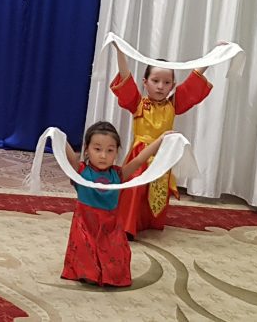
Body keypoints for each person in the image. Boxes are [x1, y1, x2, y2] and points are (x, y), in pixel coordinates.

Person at [109, 42, 215, 237]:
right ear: (145, 82)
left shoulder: (173, 105)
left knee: (156, 190)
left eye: (166, 83)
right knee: (134, 189)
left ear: (173, 86)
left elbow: (193, 81)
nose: (160, 86)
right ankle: (127, 225)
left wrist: (214, 55)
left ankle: (147, 222)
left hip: (162, 155)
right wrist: (120, 51)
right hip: (140, 154)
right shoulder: (138, 104)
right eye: (155, 80)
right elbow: (125, 78)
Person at [60, 121, 173, 286]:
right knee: (85, 252)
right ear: (87, 149)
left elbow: (140, 159)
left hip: (111, 226)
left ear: (116, 152)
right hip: (85, 224)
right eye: (97, 149)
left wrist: (161, 139)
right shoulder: (81, 171)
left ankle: (108, 275)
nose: (103, 156)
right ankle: (88, 273)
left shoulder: (118, 175)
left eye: (110, 150)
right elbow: (70, 156)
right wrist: (58, 136)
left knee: (116, 257)